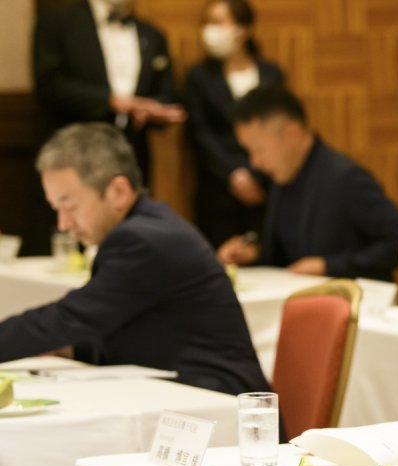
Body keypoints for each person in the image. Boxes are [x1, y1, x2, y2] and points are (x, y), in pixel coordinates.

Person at [0, 123, 270, 396]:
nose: (63, 223)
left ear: (118, 191)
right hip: (187, 391)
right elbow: (134, 334)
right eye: (56, 208)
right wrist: (72, 349)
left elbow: (71, 317)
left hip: (218, 401)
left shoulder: (144, 239)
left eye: (70, 206)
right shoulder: (147, 226)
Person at [216, 86, 398, 280]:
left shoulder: (345, 178)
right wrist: (253, 253)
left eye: (259, 150)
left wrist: (328, 266)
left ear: (291, 133)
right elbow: (287, 254)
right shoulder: (283, 177)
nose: (254, 162)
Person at [33, 0, 186, 181]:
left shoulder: (152, 35)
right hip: (75, 153)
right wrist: (111, 102)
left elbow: (166, 94)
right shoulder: (58, 23)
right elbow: (49, 84)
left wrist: (152, 110)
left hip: (132, 155)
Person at [185, 0, 284, 249]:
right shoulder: (199, 77)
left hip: (265, 187)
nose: (210, 29)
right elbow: (200, 133)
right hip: (218, 190)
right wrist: (234, 173)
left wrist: (256, 174)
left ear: (244, 29)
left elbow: (280, 129)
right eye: (207, 22)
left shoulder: (271, 75)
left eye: (218, 22)